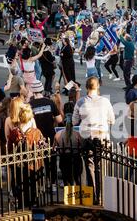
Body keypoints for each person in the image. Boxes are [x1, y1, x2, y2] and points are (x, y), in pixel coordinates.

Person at [72, 77, 115, 205]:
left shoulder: (80, 102)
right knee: (100, 166)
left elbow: (74, 121)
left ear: (86, 87)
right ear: (97, 87)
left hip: (87, 137)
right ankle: (101, 195)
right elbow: (112, 120)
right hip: (101, 137)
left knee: (89, 166)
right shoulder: (105, 102)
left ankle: (93, 196)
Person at [30, 80, 62, 189]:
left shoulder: (30, 105)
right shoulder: (50, 102)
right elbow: (59, 119)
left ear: (33, 92)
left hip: (37, 138)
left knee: (38, 161)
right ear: (42, 90)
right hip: (50, 136)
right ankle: (52, 184)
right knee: (51, 161)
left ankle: (40, 185)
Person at [55, 102, 83, 187]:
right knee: (78, 181)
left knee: (66, 182)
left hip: (64, 161)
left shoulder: (58, 134)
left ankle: (68, 198)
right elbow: (81, 146)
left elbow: (54, 149)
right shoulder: (78, 134)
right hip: (76, 160)